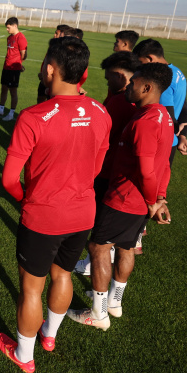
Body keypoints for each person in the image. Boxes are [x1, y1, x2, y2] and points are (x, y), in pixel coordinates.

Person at [0, 36, 111, 373]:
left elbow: (7, 180)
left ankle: (25, 355)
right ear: (85, 74)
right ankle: (49, 336)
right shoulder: (101, 112)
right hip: (82, 213)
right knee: (62, 275)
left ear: (49, 69)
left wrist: (25, 201)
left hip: (43, 216)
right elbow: (97, 168)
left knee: (32, 288)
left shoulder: (34, 117)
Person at [66, 63, 173, 331]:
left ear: (147, 88)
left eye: (134, 81)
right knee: (126, 247)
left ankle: (98, 314)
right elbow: (165, 166)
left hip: (125, 199)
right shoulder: (163, 116)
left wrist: (152, 201)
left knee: (98, 248)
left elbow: (147, 171)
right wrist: (159, 198)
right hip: (139, 203)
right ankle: (114, 302)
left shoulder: (146, 122)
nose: (129, 85)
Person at [74, 50, 140, 276]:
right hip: (121, 177)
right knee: (123, 242)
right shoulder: (130, 101)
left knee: (99, 236)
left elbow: (98, 134)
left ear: (122, 76)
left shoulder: (121, 102)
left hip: (106, 172)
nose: (106, 80)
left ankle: (92, 267)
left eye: (109, 76)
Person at [132, 39, 187, 158]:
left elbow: (165, 117)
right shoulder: (177, 72)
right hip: (171, 141)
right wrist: (182, 135)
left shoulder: (161, 79)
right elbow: (185, 108)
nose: (138, 67)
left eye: (140, 62)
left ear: (150, 58)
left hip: (159, 142)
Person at [0, 17, 28, 121]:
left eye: (8, 27)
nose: (7, 29)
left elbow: (23, 55)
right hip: (6, 67)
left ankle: (11, 114)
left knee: (13, 91)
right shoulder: (9, 38)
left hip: (14, 69)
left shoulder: (21, 38)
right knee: (4, 89)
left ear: (15, 26)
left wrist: (19, 64)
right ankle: (1, 109)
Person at [36, 24, 72, 104]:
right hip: (44, 78)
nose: (54, 35)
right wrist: (42, 73)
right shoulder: (52, 46)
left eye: (56, 33)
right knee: (40, 101)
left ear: (63, 35)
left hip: (53, 81)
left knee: (52, 103)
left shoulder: (65, 51)